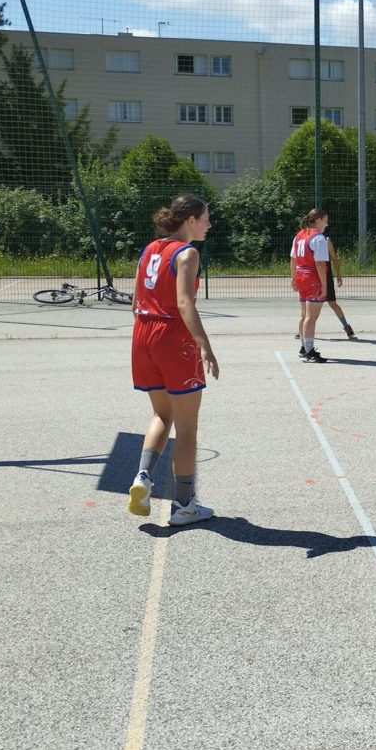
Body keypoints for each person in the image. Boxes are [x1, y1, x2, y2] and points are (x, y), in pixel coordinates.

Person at [127, 194, 219, 527]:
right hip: (173, 336)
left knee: (161, 414)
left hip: (143, 333)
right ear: (190, 220)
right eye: (205, 218)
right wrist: (204, 345)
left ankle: (142, 477)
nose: (209, 224)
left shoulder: (150, 249)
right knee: (187, 427)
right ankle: (184, 506)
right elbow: (184, 303)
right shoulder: (187, 253)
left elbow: (136, 300)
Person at [291, 209, 356, 362]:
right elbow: (320, 264)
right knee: (311, 317)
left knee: (304, 315)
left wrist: (293, 278)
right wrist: (324, 286)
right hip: (312, 279)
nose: (327, 224)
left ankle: (303, 348)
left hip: (301, 276)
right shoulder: (318, 238)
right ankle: (309, 352)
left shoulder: (299, 235)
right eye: (325, 221)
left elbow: (293, 259)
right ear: (318, 220)